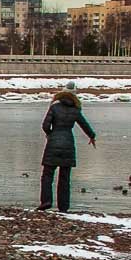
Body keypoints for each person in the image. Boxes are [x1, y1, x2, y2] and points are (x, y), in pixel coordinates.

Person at [38, 81, 96, 211]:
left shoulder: (54, 107)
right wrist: (92, 136)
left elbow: (45, 125)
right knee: (64, 177)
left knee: (47, 175)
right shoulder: (75, 109)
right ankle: (63, 206)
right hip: (68, 143)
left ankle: (46, 201)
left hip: (53, 143)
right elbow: (84, 125)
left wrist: (50, 134)